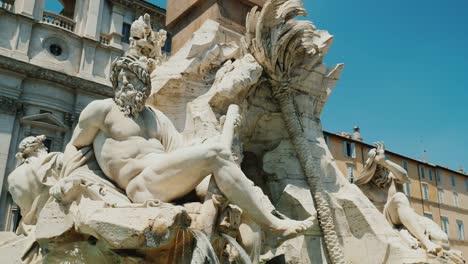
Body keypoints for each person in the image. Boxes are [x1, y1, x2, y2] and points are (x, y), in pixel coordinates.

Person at [52, 54, 313, 243]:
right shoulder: (101, 110)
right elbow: (75, 148)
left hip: (167, 179)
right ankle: (275, 226)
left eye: (135, 78)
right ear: (115, 82)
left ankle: (261, 226)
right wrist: (66, 183)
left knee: (218, 168)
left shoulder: (156, 118)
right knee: (215, 154)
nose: (127, 81)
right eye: (122, 77)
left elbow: (180, 152)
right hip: (140, 185)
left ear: (146, 86)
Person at [355, 143, 443, 254]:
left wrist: (384, 161)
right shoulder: (366, 186)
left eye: (382, 168)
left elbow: (404, 176)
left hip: (405, 215)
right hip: (386, 218)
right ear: (371, 168)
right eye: (377, 167)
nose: (381, 171)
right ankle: (426, 242)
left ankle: (431, 244)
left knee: (441, 237)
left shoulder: (392, 177)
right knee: (399, 197)